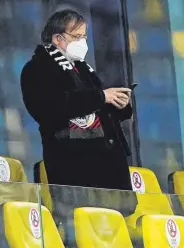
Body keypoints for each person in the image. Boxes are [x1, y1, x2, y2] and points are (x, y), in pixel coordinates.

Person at [21, 10, 134, 192]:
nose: (83, 43)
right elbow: (50, 107)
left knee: (116, 216)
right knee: (83, 217)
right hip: (74, 165)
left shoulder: (83, 68)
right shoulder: (37, 69)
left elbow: (100, 106)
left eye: (84, 37)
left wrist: (120, 104)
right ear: (58, 38)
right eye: (77, 37)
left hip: (108, 165)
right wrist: (102, 96)